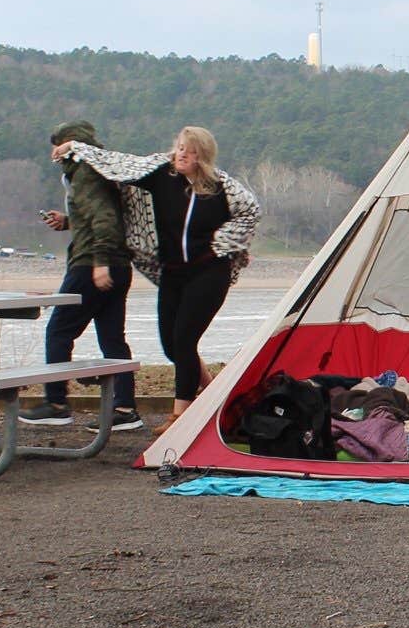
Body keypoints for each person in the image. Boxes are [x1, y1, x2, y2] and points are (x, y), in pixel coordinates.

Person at [58, 125, 261, 425]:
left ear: (202, 157)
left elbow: (251, 211)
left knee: (184, 339)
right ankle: (212, 393)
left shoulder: (222, 187)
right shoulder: (161, 175)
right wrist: (77, 147)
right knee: (170, 344)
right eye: (180, 148)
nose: (182, 155)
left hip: (209, 271)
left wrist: (226, 243)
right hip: (173, 273)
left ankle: (180, 416)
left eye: (190, 152)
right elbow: (119, 163)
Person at [18, 119, 143, 432]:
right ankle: (125, 408)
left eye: (57, 146)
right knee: (113, 340)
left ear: (69, 145)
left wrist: (99, 262)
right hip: (120, 264)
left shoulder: (85, 172)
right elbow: (102, 214)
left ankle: (57, 403)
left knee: (59, 330)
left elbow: (104, 219)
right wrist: (69, 220)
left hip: (91, 264)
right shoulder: (103, 169)